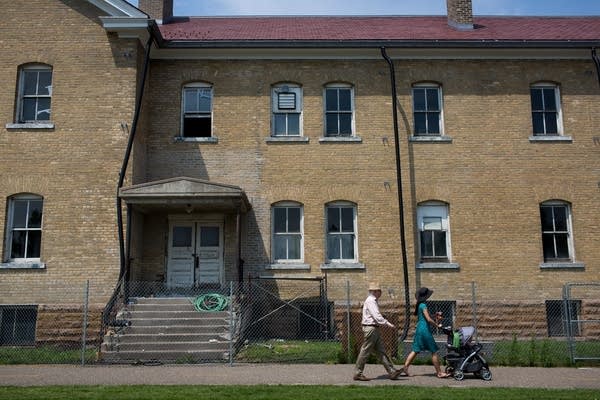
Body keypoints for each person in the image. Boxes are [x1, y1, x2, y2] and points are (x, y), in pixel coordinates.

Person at [353, 282, 404, 381]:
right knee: (365, 351)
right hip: (371, 328)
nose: (380, 293)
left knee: (381, 352)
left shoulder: (372, 301)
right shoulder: (371, 301)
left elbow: (376, 316)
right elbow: (376, 316)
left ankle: (392, 371)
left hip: (373, 328)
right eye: (379, 291)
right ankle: (358, 373)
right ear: (375, 291)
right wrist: (388, 324)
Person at [401, 287, 450, 378]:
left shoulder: (420, 305)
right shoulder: (423, 305)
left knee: (415, 350)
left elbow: (425, 317)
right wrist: (437, 325)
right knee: (434, 351)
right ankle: (439, 373)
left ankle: (405, 368)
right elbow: (428, 319)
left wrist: (435, 315)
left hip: (419, 329)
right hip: (425, 331)